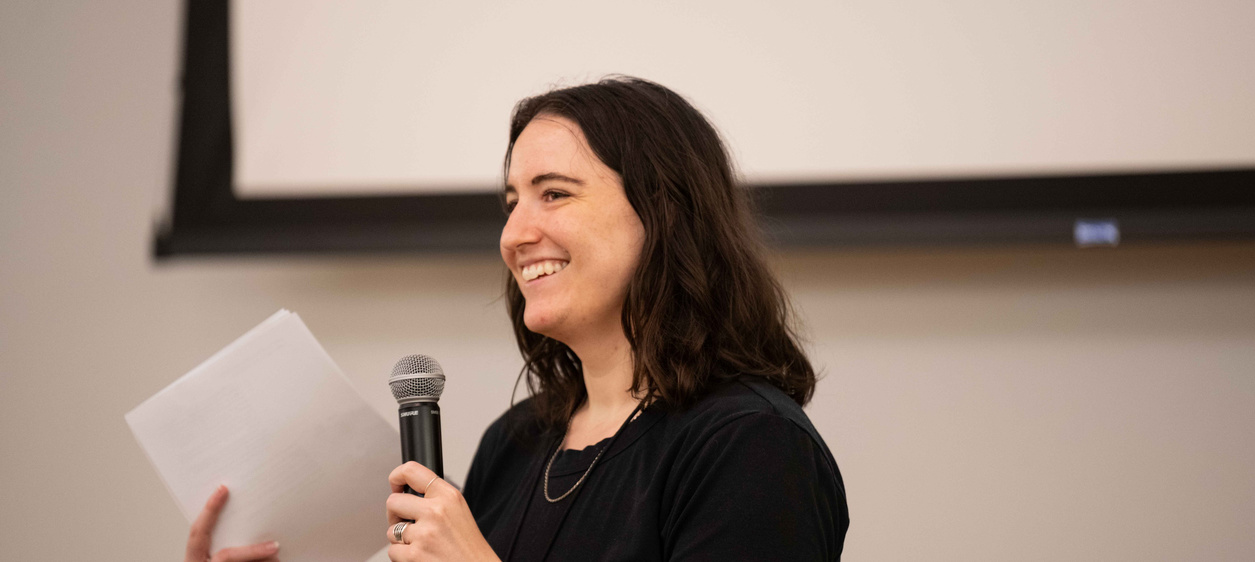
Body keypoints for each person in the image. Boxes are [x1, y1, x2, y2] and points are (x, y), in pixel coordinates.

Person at [185, 76, 848, 562]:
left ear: (664, 214)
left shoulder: (753, 446)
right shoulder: (519, 441)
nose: (514, 234)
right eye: (511, 203)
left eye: (554, 194)